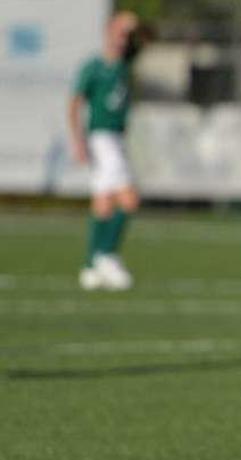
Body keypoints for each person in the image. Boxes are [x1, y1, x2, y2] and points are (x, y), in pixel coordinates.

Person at [70, 11, 144, 291]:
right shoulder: (95, 67)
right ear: (109, 31)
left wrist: (136, 28)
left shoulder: (125, 63)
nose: (124, 39)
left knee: (103, 202)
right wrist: (78, 140)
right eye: (121, 32)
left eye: (128, 34)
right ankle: (107, 257)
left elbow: (148, 38)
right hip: (102, 139)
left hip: (116, 139)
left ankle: (91, 266)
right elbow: (74, 103)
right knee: (129, 200)